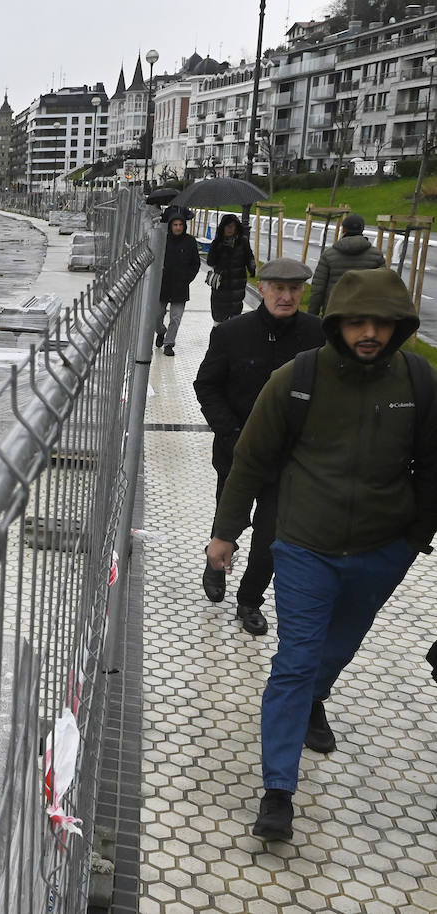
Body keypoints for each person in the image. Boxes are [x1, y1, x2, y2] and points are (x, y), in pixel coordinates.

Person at [205, 267, 437, 842]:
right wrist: (226, 533)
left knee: (340, 647)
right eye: (357, 322)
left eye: (381, 324)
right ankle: (278, 790)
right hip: (305, 543)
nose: (368, 334)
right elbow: (252, 461)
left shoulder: (418, 381)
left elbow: (432, 467)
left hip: (385, 549)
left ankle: (316, 700)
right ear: (337, 324)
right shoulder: (298, 378)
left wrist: (414, 539)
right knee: (296, 657)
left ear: (399, 327)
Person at [193, 259, 325, 635]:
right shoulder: (233, 333)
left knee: (271, 535)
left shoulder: (317, 335)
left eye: (294, 290)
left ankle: (250, 600)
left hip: (290, 458)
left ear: (303, 292)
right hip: (237, 451)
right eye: (278, 288)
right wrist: (231, 433)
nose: (286, 296)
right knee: (230, 517)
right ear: (262, 288)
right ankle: (216, 560)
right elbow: (207, 385)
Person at [310, 214, 385, 317]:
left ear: (343, 230)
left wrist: (312, 316)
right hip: (365, 315)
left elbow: (318, 290)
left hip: (333, 314)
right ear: (362, 230)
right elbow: (383, 288)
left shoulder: (328, 255)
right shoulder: (376, 256)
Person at [156, 214, 201, 357]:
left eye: (180, 225)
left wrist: (187, 278)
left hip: (180, 287)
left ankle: (169, 343)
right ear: (170, 226)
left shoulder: (190, 241)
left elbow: (196, 263)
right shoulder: (163, 239)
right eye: (175, 225)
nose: (178, 227)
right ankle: (161, 332)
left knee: (176, 317)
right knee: (156, 316)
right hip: (162, 285)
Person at [205, 214, 257, 323]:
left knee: (235, 317)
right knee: (219, 317)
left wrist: (252, 269)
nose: (230, 229)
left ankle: (231, 337)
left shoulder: (243, 241)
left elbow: (249, 256)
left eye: (232, 226)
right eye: (227, 226)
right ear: (222, 227)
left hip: (237, 285)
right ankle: (218, 336)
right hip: (220, 285)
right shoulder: (217, 242)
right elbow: (210, 261)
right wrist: (218, 248)